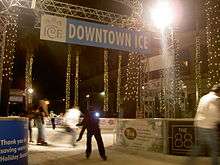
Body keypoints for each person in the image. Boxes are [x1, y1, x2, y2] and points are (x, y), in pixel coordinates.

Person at [187, 83, 220, 165]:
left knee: (199, 146)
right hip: (208, 126)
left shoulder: (204, 97)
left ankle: (188, 162)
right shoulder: (215, 99)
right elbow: (215, 114)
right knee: (214, 148)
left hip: (199, 124)